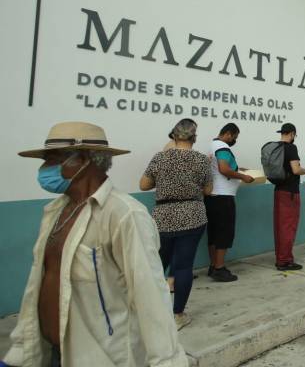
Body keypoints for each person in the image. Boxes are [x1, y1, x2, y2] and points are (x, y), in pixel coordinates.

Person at [5, 122, 186, 367]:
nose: (44, 169)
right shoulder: (55, 211)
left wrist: (167, 361)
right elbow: (38, 285)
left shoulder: (124, 214)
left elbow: (151, 297)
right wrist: (21, 349)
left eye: (52, 159)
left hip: (101, 357)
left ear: (82, 160)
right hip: (48, 354)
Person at [140, 118, 212, 330]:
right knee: (183, 266)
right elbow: (208, 191)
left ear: (173, 135)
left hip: (163, 217)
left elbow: (143, 185)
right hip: (192, 215)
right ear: (194, 137)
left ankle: (147, 313)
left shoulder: (160, 158)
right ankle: (178, 314)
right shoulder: (201, 161)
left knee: (156, 265)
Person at [206, 123, 254, 282]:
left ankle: (213, 266)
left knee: (213, 234)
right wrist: (243, 177)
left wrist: (240, 169)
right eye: (235, 137)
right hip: (224, 197)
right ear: (228, 134)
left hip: (213, 196)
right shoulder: (223, 148)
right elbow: (224, 169)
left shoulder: (213, 145)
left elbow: (222, 167)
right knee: (224, 234)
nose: (235, 140)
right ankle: (219, 268)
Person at [273, 123, 305, 271]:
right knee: (289, 226)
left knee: (279, 226)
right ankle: (285, 261)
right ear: (292, 134)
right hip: (290, 192)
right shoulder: (291, 148)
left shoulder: (276, 147)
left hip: (278, 190)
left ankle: (280, 258)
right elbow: (295, 170)